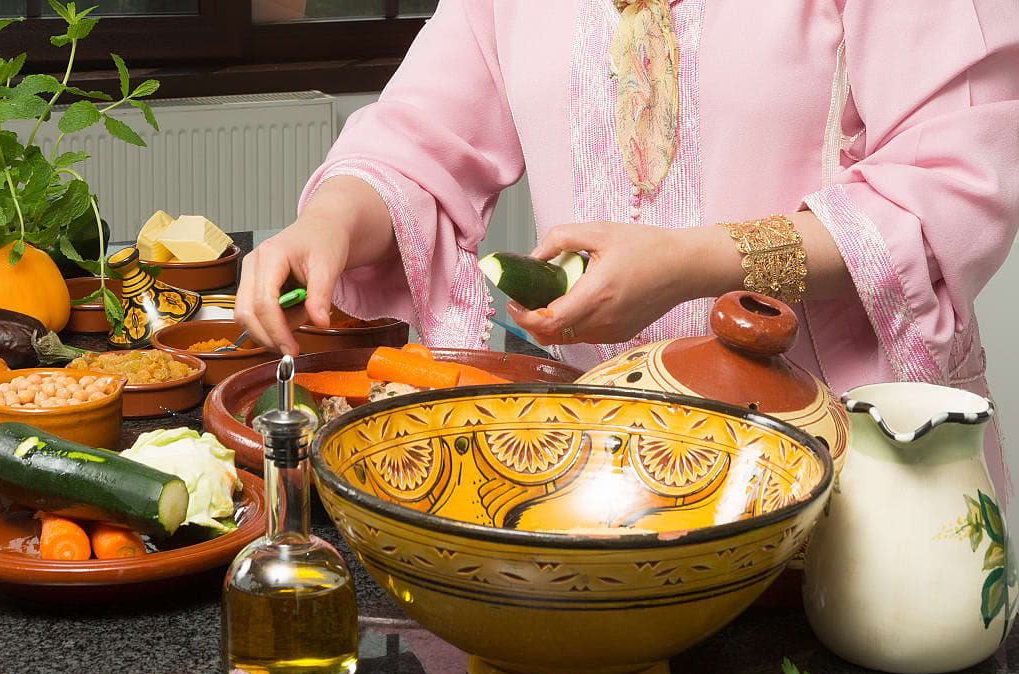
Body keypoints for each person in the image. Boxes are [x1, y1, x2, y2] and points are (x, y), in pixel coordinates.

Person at [234, 0, 1019, 498]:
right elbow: (416, 147)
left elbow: (952, 187)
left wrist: (691, 266)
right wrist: (329, 222)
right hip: (606, 476)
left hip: (853, 467)